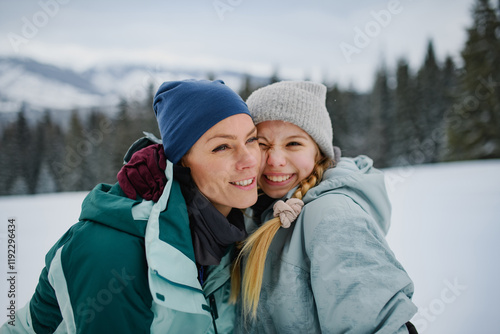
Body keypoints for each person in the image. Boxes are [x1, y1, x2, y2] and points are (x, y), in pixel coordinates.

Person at [1, 79, 261, 333]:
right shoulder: (112, 253)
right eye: (222, 147)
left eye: (252, 140)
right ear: (181, 162)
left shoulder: (228, 229)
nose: (249, 159)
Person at [231, 81, 418, 333]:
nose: (275, 160)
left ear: (318, 152)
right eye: (262, 144)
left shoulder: (332, 216)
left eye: (293, 144)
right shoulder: (257, 209)